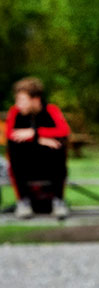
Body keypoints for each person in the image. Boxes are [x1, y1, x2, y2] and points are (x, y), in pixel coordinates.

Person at [4, 77, 70, 219]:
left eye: (22, 100)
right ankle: (23, 202)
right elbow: (10, 135)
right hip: (24, 165)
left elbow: (64, 131)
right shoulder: (15, 112)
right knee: (14, 148)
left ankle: (58, 201)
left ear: (35, 99)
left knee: (59, 147)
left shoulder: (51, 110)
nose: (18, 104)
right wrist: (39, 139)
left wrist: (34, 133)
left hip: (48, 165)